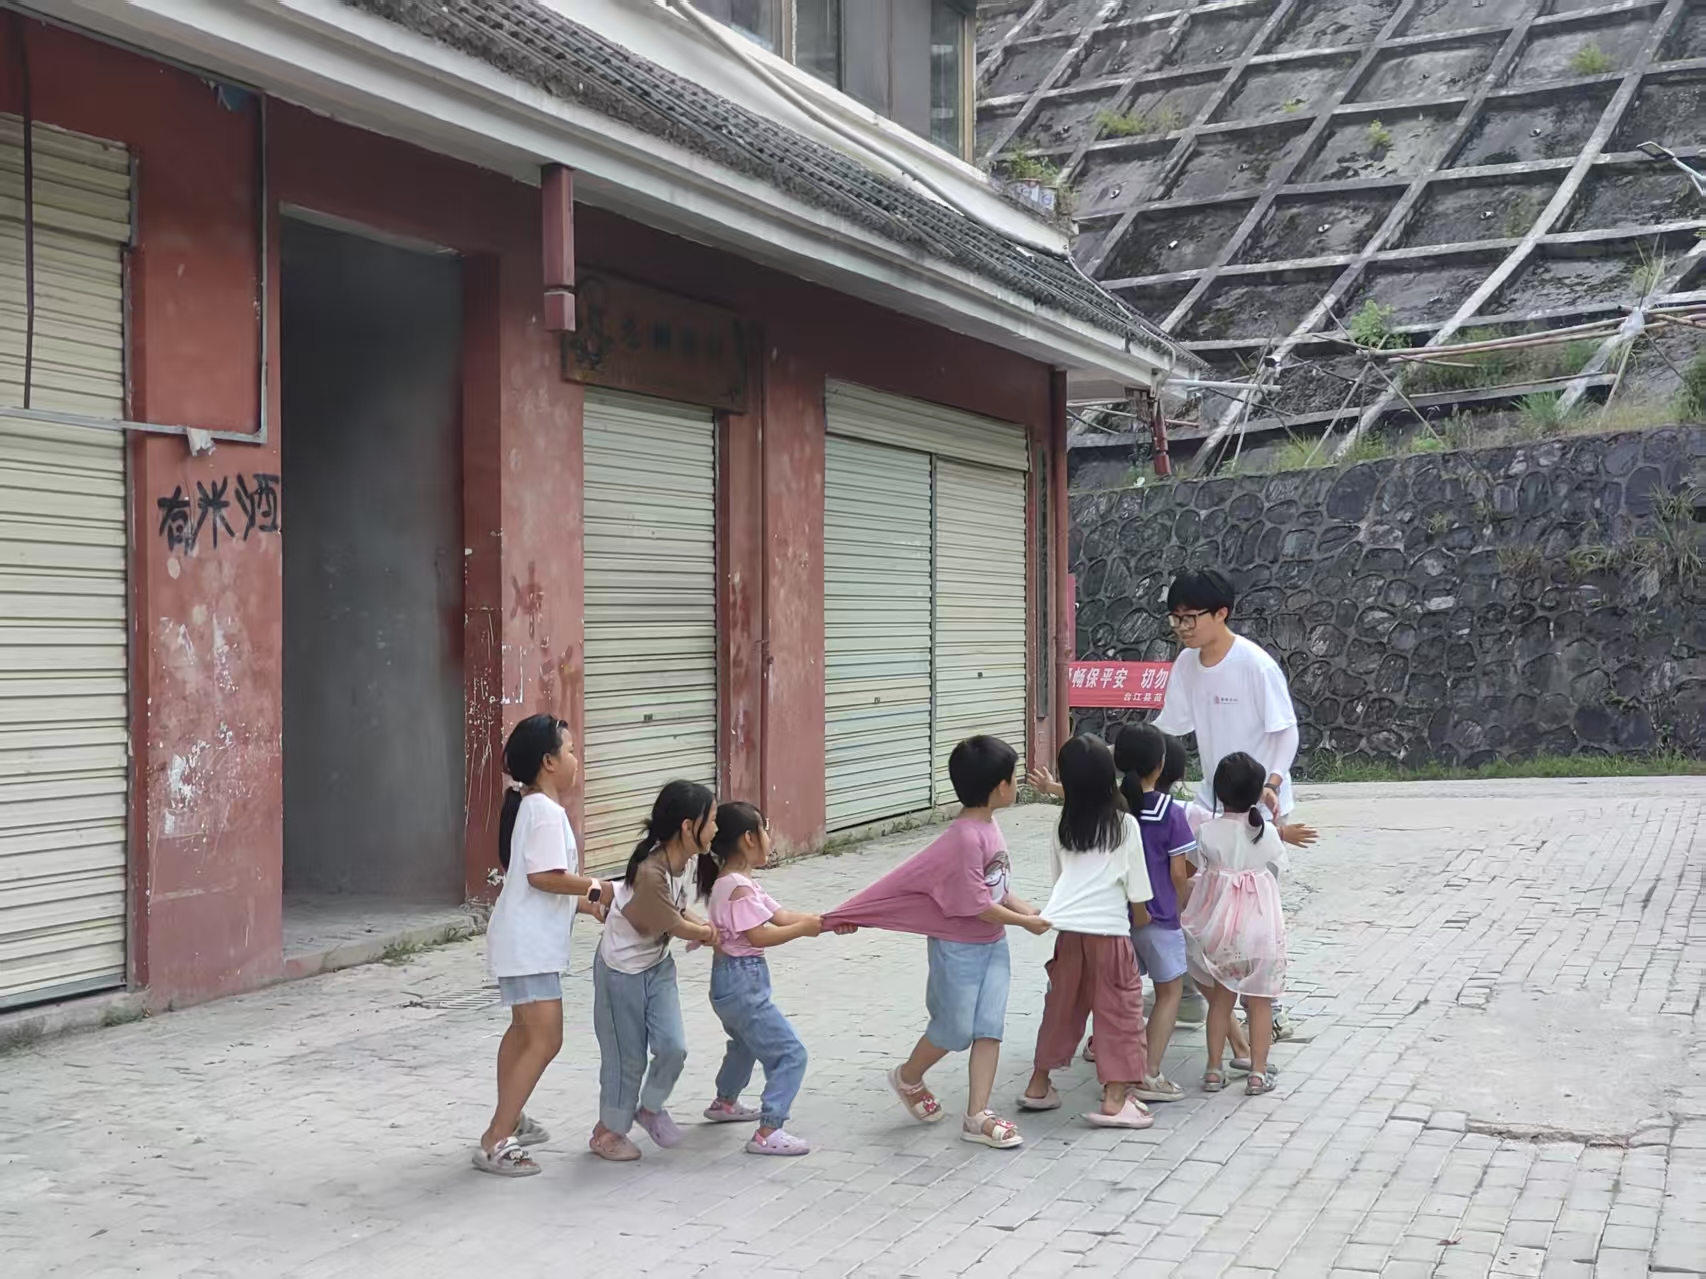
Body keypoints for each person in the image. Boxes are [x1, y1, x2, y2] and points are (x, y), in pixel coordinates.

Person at [825, 735, 1049, 1150]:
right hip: (958, 949)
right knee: (955, 1030)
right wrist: (1024, 922)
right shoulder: (964, 837)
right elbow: (977, 904)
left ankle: (977, 1116)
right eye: (1013, 776)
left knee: (989, 1029)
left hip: (994, 945)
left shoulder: (989, 826)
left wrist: (1028, 909)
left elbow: (996, 886)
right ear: (998, 786)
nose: (1016, 783)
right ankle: (908, 1076)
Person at [1154, 569, 1303, 1040]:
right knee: (1199, 903)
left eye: (1190, 618)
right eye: (1175, 618)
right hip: (1209, 804)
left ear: (1221, 614)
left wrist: (1271, 783)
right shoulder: (1186, 664)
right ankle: (1193, 992)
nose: (1182, 628)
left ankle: (1267, 1010)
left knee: (1255, 917)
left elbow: (1286, 733)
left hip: (1259, 805)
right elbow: (1169, 729)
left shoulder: (1256, 665)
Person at [475, 699, 613, 1177]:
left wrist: (588, 904)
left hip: (522, 941)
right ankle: (497, 1139)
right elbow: (545, 877)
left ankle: (510, 1118)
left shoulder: (534, 807)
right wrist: (598, 887)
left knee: (523, 1033)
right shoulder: (546, 813)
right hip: (529, 946)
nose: (576, 759)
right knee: (546, 1038)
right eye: (570, 751)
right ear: (549, 762)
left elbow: (539, 882)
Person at [696, 801, 854, 1156]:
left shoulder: (735, 882)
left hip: (728, 985)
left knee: (744, 1044)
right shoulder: (738, 887)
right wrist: (804, 930)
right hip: (743, 985)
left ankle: (725, 1102)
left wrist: (828, 922)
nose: (769, 836)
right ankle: (768, 1131)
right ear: (749, 838)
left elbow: (782, 917)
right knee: (790, 1054)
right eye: (765, 828)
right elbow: (760, 936)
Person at [1018, 735, 1155, 1130]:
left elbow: (1060, 882)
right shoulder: (1125, 826)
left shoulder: (1063, 826)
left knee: (1061, 1008)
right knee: (1119, 1013)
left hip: (1069, 935)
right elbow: (1138, 893)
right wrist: (1142, 920)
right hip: (1110, 935)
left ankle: (1038, 1085)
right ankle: (1115, 1098)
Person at [589, 780, 719, 1162]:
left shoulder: (686, 861)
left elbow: (677, 909)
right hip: (621, 972)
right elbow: (674, 924)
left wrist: (703, 925)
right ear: (687, 826)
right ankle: (608, 1132)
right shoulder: (650, 871)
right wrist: (709, 933)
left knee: (673, 1047)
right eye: (711, 820)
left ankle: (649, 1107)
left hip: (657, 966)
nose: (716, 828)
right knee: (626, 1058)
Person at [1182, 752, 1289, 1096]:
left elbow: (1191, 870)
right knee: (1260, 1002)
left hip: (1221, 931)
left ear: (1218, 791)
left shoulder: (1206, 832)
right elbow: (1277, 867)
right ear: (1258, 792)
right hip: (1260, 931)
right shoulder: (1266, 833)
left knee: (1221, 1001)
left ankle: (1214, 1070)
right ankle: (1257, 1073)